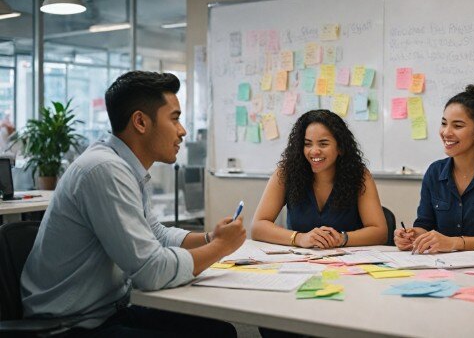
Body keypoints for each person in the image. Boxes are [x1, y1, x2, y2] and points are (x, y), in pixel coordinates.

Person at [21, 71, 246, 337]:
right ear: (140, 121)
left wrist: (210, 238)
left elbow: (156, 235)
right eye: (174, 118)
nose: (182, 131)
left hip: (105, 312)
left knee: (218, 332)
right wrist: (221, 247)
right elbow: (151, 271)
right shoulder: (104, 170)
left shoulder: (126, 168)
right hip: (69, 326)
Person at [395, 83, 474, 253]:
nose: (446, 132)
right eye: (444, 123)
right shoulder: (434, 172)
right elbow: (425, 224)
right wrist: (412, 236)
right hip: (441, 265)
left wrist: (455, 243)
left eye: (457, 126)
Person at [251, 109, 387, 249]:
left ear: (340, 147)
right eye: (308, 144)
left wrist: (342, 238)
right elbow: (257, 226)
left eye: (323, 144)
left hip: (346, 264)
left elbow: (380, 232)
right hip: (299, 263)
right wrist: (299, 238)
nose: (314, 151)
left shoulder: (360, 175)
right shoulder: (286, 173)